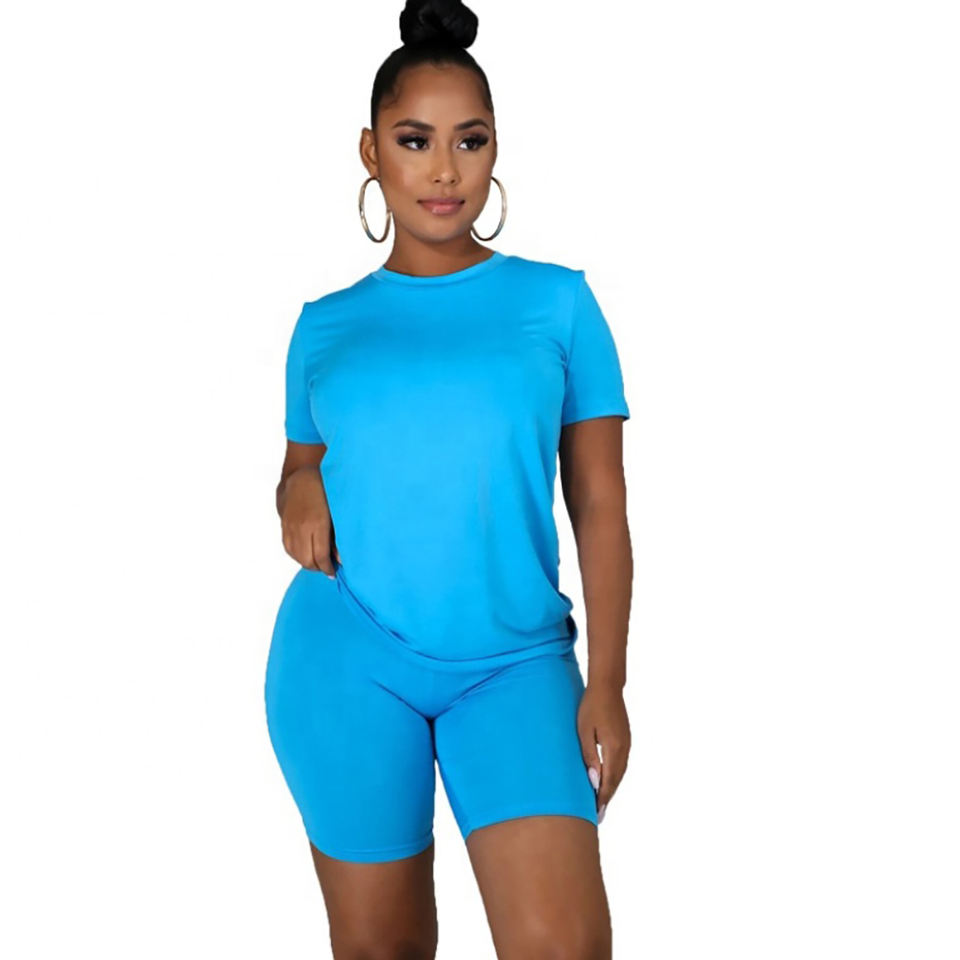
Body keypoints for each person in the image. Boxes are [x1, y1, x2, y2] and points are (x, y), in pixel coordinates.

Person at [264, 0, 633, 955]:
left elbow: (599, 503)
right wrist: (294, 488)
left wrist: (607, 682)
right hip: (348, 656)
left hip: (516, 666)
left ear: (496, 148)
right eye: (414, 140)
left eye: (469, 141)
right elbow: (303, 465)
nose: (443, 170)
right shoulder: (323, 324)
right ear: (370, 151)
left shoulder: (558, 303)